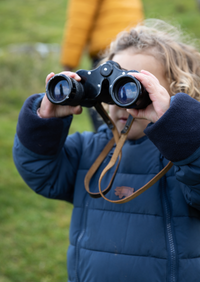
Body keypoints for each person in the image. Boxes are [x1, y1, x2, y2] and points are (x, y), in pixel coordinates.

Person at [13, 19, 200, 282]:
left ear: (178, 93)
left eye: (133, 90)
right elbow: (41, 172)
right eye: (113, 91)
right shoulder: (88, 150)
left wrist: (183, 132)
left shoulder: (184, 158)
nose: (121, 104)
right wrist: (44, 122)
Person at [60, 0, 144, 131]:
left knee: (96, 99)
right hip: (135, 48)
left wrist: (68, 64)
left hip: (106, 51)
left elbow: (79, 21)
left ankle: (107, 143)